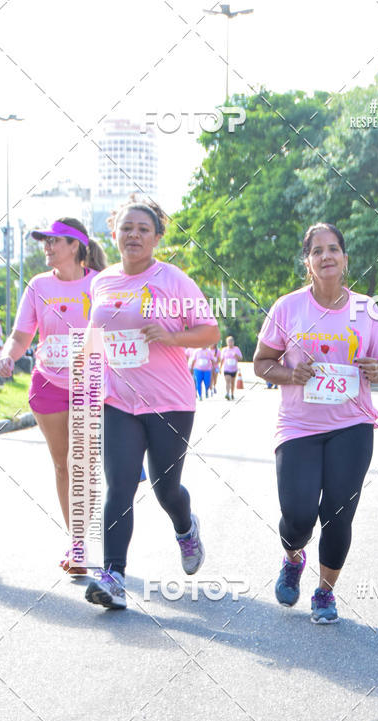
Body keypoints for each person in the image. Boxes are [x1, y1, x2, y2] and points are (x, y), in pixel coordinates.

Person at [253, 222, 378, 624]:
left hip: (352, 424)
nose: (327, 256)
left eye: (334, 249)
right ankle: (293, 557)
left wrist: (377, 368)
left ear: (345, 259)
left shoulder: (367, 308)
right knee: (297, 514)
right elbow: (262, 362)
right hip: (298, 425)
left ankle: (325, 593)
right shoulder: (288, 307)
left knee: (338, 513)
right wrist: (290, 374)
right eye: (318, 251)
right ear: (308, 262)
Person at [83, 199, 220, 609]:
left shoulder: (173, 280)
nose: (134, 235)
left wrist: (172, 336)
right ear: (114, 234)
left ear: (157, 237)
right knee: (120, 485)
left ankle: (185, 526)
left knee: (165, 487)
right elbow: (97, 336)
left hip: (170, 401)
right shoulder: (102, 282)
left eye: (144, 229)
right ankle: (113, 576)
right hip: (118, 400)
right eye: (127, 228)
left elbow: (210, 331)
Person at [0, 218, 106, 574]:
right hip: (47, 385)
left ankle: (82, 541)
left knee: (84, 466)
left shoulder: (100, 284)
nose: (46, 247)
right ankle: (77, 543)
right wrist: (8, 356)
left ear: (75, 246)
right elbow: (21, 334)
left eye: (53, 241)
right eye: (44, 241)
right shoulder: (38, 285)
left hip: (90, 383)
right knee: (63, 465)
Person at [221, 335, 242, 400]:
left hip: (234, 369)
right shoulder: (224, 349)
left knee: (232, 383)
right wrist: (220, 368)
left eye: (231, 342)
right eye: (228, 342)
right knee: (228, 381)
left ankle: (232, 394)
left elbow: (241, 358)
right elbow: (222, 359)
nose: (230, 343)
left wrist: (236, 355)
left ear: (233, 342)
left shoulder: (236, 349)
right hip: (226, 369)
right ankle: (227, 393)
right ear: (227, 342)